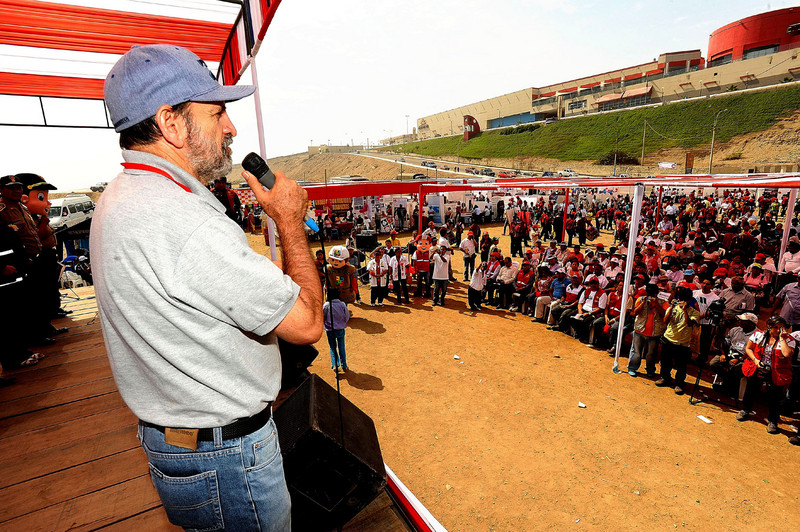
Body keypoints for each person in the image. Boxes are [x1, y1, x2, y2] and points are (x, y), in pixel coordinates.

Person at [92, 44, 323, 530]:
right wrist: (288, 220)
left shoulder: (121, 195)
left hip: (182, 444)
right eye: (217, 113)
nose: (231, 128)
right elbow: (305, 324)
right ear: (171, 124)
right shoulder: (183, 220)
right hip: (227, 458)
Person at [737, 316, 796, 436]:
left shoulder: (789, 340)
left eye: (781, 328)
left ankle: (773, 421)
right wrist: (756, 360)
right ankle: (745, 410)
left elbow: (786, 354)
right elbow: (748, 349)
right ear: (769, 327)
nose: (778, 330)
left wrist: (782, 339)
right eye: (775, 327)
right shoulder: (759, 335)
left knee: (775, 397)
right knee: (751, 389)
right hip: (758, 366)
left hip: (776, 372)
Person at [656, 286, 700, 394]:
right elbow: (665, 321)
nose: (681, 301)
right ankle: (665, 378)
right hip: (668, 339)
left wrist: (685, 310)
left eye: (684, 300)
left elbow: (689, 323)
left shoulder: (694, 312)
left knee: (681, 365)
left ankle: (679, 384)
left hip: (683, 343)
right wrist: (671, 308)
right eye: (680, 299)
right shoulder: (673, 308)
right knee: (666, 362)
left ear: (689, 301)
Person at [323, 289, 349, 371]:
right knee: (341, 347)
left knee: (332, 347)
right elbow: (347, 316)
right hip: (340, 329)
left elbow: (323, 316)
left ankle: (334, 364)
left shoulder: (326, 305)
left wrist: (326, 324)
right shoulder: (342, 304)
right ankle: (344, 365)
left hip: (330, 330)